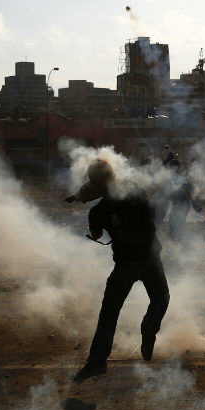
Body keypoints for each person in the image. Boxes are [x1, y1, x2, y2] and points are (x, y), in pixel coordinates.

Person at [67, 159, 169, 382]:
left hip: (124, 263)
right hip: (150, 257)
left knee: (109, 314)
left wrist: (88, 202)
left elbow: (95, 235)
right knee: (161, 297)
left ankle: (96, 362)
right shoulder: (133, 187)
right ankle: (150, 324)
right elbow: (151, 214)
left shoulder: (98, 211)